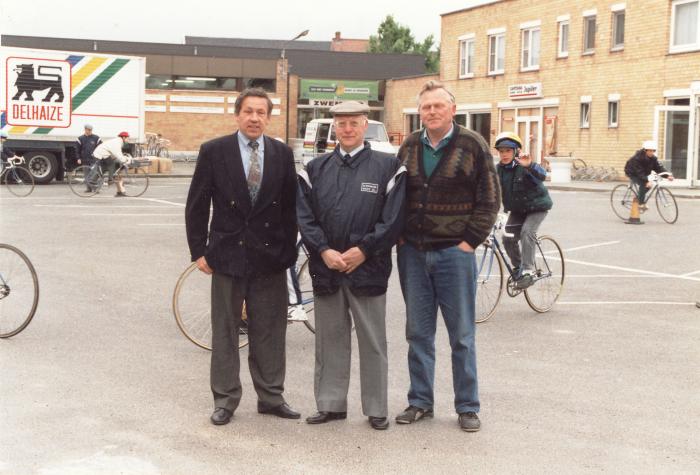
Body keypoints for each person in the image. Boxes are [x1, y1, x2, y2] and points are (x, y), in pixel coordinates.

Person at [185, 88, 300, 426]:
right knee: (225, 330)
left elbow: (291, 208)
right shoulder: (214, 151)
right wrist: (199, 252)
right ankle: (225, 399)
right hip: (227, 256)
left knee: (270, 330)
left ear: (268, 117)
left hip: (270, 258)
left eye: (260, 112)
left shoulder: (282, 154)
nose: (254, 118)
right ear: (237, 115)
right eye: (248, 111)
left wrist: (287, 252)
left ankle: (271, 396)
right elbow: (197, 205)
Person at [395, 80, 500, 432]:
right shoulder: (409, 146)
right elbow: (395, 195)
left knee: (462, 335)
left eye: (439, 106)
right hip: (413, 254)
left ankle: (467, 406)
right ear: (420, 112)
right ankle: (420, 401)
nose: (432, 112)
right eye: (426, 107)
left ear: (452, 109)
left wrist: (470, 241)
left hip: (454, 255)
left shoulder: (473, 145)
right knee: (418, 334)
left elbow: (489, 197)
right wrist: (399, 237)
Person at [297, 101, 406, 430]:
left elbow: (393, 219)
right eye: (340, 124)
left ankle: (376, 408)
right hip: (327, 268)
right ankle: (330, 404)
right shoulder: (314, 169)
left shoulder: (389, 167)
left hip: (368, 269)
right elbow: (305, 217)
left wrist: (364, 250)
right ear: (333, 128)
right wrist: (324, 250)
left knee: (373, 341)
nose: (347, 129)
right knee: (329, 340)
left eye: (353, 123)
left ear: (364, 125)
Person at [495, 131, 553, 289]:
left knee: (527, 232)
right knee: (507, 238)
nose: (504, 154)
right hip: (517, 210)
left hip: (537, 207)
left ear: (516, 151)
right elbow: (491, 190)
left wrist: (530, 165)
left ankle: (528, 271)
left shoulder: (524, 166)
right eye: (501, 151)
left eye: (508, 150)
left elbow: (542, 175)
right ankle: (518, 268)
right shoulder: (498, 169)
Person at [624, 140, 674, 208]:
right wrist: (647, 181)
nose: (652, 152)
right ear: (645, 150)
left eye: (653, 151)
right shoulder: (637, 158)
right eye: (650, 151)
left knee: (649, 184)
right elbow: (639, 173)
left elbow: (659, 168)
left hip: (643, 173)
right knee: (644, 183)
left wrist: (667, 175)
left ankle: (639, 196)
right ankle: (640, 203)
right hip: (632, 172)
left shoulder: (653, 158)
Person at [91, 131, 131, 196]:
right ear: (123, 137)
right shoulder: (117, 142)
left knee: (105, 168)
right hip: (101, 153)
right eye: (127, 138)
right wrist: (124, 159)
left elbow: (116, 154)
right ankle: (110, 179)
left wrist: (122, 158)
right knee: (111, 164)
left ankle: (93, 180)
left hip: (103, 153)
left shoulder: (118, 141)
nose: (128, 139)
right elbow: (118, 154)